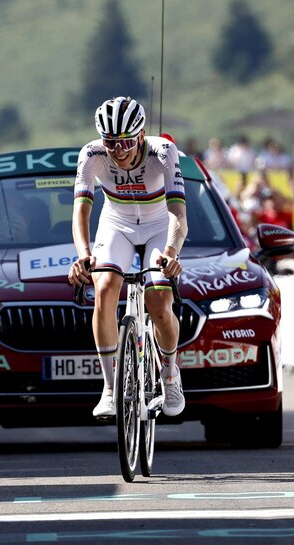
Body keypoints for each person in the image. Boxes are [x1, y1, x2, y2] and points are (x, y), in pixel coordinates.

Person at [67, 96, 187, 418]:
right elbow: (81, 211)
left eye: (126, 142)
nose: (119, 151)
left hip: (159, 225)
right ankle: (109, 387)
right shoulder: (92, 154)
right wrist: (83, 256)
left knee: (160, 304)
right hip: (116, 224)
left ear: (141, 134)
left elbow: (178, 214)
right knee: (104, 290)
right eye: (111, 143)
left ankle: (170, 376)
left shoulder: (162, 151)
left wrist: (172, 253)